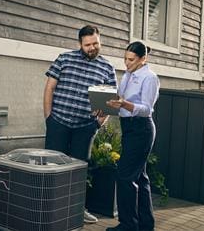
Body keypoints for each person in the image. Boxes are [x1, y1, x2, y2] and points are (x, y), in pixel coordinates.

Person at [43, 25, 116, 224]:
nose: (92, 47)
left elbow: (110, 103)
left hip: (85, 127)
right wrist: (48, 118)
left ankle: (77, 209)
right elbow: (49, 88)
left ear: (100, 41)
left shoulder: (107, 67)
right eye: (88, 45)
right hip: (58, 122)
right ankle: (49, 209)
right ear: (80, 44)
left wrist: (98, 123)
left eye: (96, 43)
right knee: (52, 167)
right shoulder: (64, 59)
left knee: (79, 170)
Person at [105, 41, 160, 231]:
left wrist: (124, 104)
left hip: (141, 129)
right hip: (129, 128)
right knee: (140, 177)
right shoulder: (128, 75)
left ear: (143, 58)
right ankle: (145, 225)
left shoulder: (150, 78)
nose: (126, 63)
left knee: (125, 176)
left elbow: (146, 109)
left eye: (131, 60)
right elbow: (121, 99)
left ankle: (128, 225)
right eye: (125, 59)